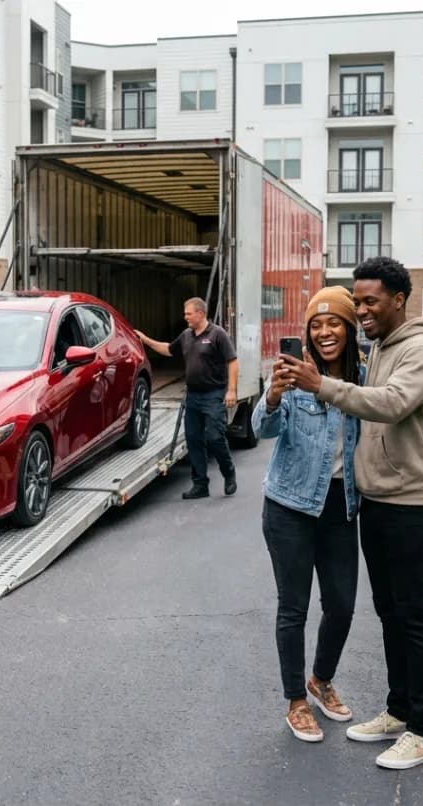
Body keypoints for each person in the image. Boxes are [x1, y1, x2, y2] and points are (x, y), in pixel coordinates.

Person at [278, 256, 423, 769]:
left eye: (370, 300)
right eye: (358, 300)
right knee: (391, 614)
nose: (362, 309)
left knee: (416, 617)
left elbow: (392, 403)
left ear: (400, 300)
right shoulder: (380, 348)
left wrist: (322, 387)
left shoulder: (422, 350)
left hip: (416, 502)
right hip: (377, 502)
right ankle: (399, 710)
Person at [252, 286, 364, 743]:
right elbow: (262, 429)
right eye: (316, 325)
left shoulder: (361, 377)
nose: (324, 332)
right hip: (289, 507)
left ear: (349, 328)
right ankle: (296, 699)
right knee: (293, 608)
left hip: (341, 505)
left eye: (333, 322)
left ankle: (321, 678)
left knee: (341, 604)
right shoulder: (294, 374)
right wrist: (274, 396)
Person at [135, 297, 237, 499]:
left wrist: (231, 390)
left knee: (215, 437)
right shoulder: (186, 336)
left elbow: (232, 361)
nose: (185, 317)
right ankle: (200, 485)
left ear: (200, 313)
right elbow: (167, 349)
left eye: (188, 313)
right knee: (193, 440)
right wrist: (145, 340)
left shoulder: (218, 335)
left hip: (213, 395)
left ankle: (229, 473)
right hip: (193, 396)